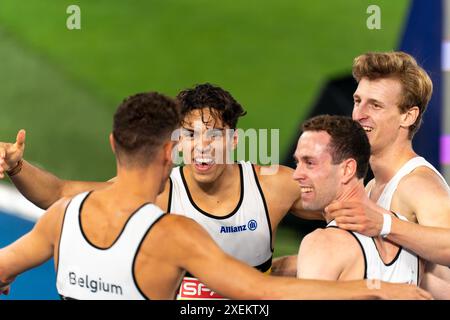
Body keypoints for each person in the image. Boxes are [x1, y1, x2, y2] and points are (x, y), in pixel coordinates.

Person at [0, 91, 428, 300]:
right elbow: (55, 192)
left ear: (235, 141)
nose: (202, 145)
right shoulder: (165, 211)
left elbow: (348, 206)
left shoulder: (273, 185)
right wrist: (18, 167)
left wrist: (400, 224)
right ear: (174, 147)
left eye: (214, 135)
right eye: (190, 135)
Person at [316, 51, 450, 299]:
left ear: (408, 116)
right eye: (357, 101)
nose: (359, 114)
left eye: (375, 105)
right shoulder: (371, 187)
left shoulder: (418, 184)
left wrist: (384, 224)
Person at [293, 115, 420, 285]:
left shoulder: (323, 243)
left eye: (309, 163)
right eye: (297, 163)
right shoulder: (410, 238)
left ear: (347, 169)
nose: (296, 175)